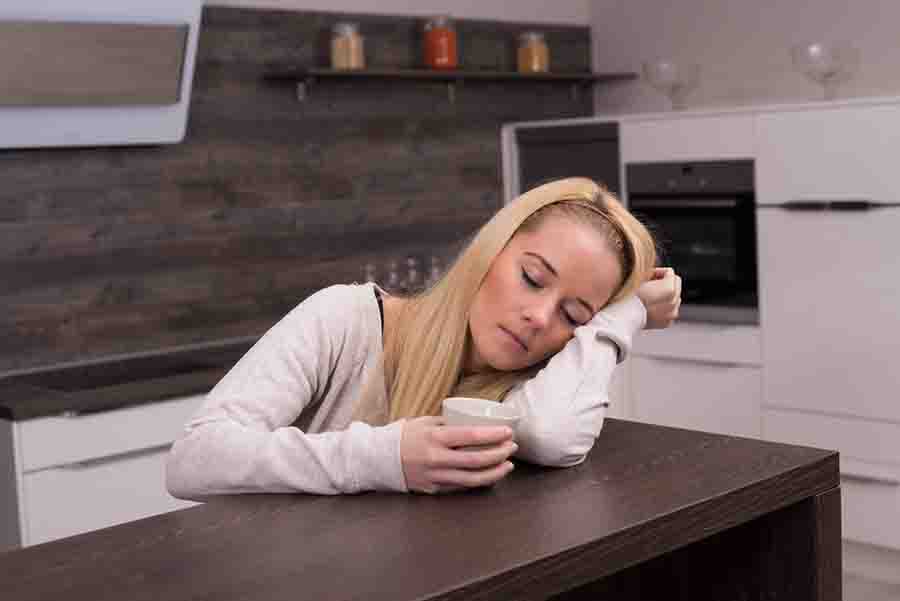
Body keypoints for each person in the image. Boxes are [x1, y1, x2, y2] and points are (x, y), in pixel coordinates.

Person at [166, 177, 681, 498]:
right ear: (491, 249)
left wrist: (625, 314)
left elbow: (549, 434)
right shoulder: (344, 319)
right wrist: (387, 458)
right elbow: (194, 460)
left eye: (573, 314)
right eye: (531, 277)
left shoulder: (527, 389)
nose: (539, 317)